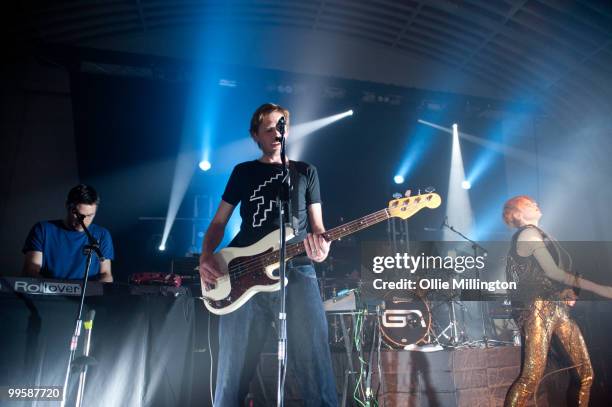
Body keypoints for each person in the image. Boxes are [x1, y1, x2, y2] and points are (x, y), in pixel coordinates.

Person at [199, 103, 338, 406]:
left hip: (298, 269)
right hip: (245, 271)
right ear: (256, 136)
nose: (277, 132)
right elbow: (219, 222)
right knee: (233, 369)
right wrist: (206, 255)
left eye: (281, 125)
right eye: (269, 128)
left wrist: (322, 249)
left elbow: (318, 228)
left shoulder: (306, 172)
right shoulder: (244, 172)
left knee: (314, 362)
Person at [502, 195, 612, 406]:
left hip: (555, 307)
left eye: (534, 201)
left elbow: (545, 277)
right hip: (537, 309)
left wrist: (566, 293)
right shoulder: (528, 234)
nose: (535, 203)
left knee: (585, 374)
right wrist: (602, 289)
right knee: (530, 378)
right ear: (518, 213)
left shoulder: (540, 234)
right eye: (528, 203)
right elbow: (553, 273)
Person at [22, 184, 114, 282]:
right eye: (78, 215)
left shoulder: (102, 234)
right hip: (48, 294)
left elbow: (105, 273)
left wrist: (102, 291)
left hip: (88, 295)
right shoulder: (42, 230)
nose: (83, 221)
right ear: (68, 206)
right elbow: (31, 270)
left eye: (90, 215)